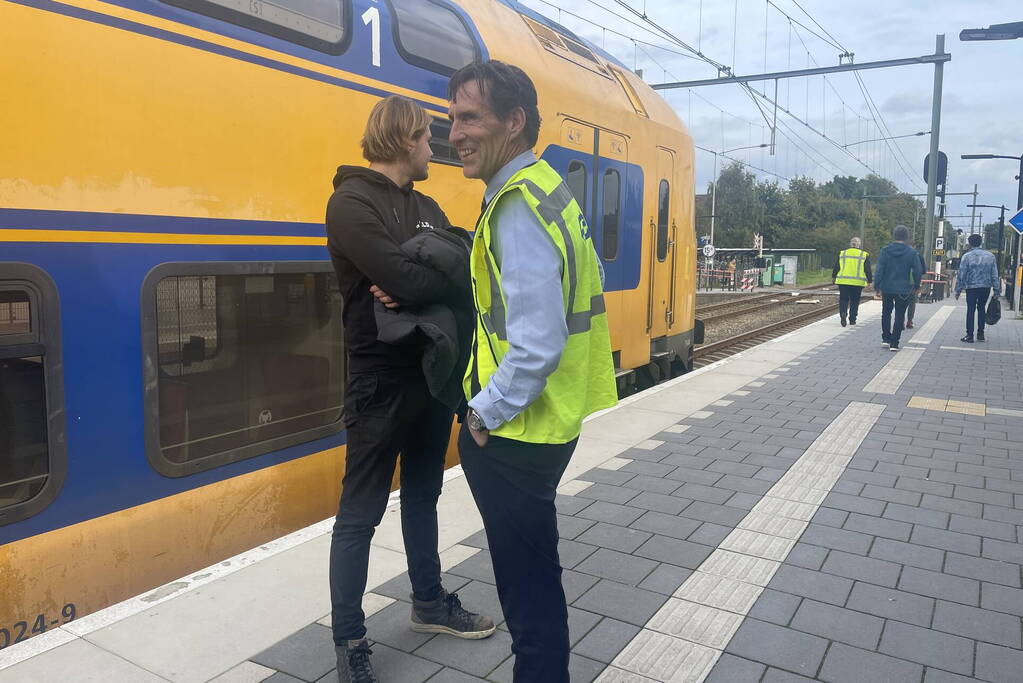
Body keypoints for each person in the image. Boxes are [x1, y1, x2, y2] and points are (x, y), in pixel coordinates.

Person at [446, 60, 618, 681]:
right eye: (451, 118)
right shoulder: (547, 188)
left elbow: (537, 344)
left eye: (470, 118)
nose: (454, 133)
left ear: (514, 121)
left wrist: (481, 415)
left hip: (516, 433)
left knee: (529, 598)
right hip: (547, 425)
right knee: (536, 584)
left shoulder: (515, 208)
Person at [325, 95, 494, 683]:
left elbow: (465, 274)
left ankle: (428, 602)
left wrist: (426, 284)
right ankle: (350, 643)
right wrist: (431, 280)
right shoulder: (350, 203)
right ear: (401, 140)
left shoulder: (426, 204)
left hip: (431, 371)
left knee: (423, 496)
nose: (433, 148)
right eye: (426, 137)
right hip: (378, 380)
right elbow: (402, 274)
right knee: (359, 516)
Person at [873, 224, 923, 351]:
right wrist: (917, 285)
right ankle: (894, 343)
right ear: (907, 237)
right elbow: (918, 271)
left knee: (886, 312)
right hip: (904, 289)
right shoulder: (912, 253)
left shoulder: (885, 250)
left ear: (894, 235)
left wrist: (877, 286)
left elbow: (879, 270)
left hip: (887, 287)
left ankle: (885, 338)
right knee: (900, 314)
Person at [954, 232, 1000, 342]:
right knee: (981, 308)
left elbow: (962, 274)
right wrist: (996, 290)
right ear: (981, 242)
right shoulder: (990, 256)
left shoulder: (966, 257)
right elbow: (994, 274)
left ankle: (969, 335)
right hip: (985, 286)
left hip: (971, 287)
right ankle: (981, 333)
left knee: (970, 309)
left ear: (969, 243)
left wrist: (958, 290)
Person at [831, 236, 872, 326]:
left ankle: (843, 313)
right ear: (859, 244)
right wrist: (869, 281)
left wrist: (834, 276)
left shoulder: (843, 253)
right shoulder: (864, 254)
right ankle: (852, 319)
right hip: (857, 283)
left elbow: (837, 266)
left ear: (850, 244)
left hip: (843, 281)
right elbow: (867, 269)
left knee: (843, 299)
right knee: (855, 300)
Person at [904, 243, 927, 328]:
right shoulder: (918, 256)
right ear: (914, 247)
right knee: (912, 302)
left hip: (900, 283)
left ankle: (900, 322)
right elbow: (923, 270)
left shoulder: (900, 255)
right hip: (913, 283)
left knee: (900, 302)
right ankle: (909, 322)